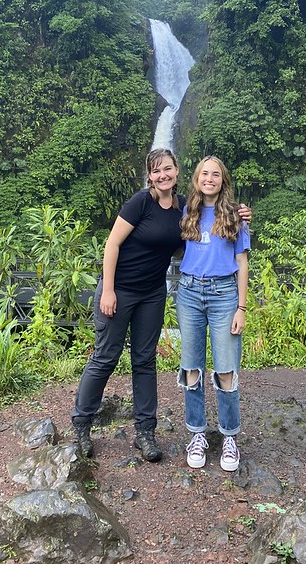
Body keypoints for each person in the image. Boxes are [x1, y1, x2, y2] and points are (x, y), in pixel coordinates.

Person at [72, 147, 251, 463]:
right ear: (149, 175)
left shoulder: (185, 207)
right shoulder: (140, 202)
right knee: (105, 355)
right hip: (121, 289)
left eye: (167, 169)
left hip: (154, 293)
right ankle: (82, 425)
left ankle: (145, 432)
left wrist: (241, 213)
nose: (163, 175)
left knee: (144, 360)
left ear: (178, 171)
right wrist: (108, 290)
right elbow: (112, 243)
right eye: (156, 171)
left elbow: (221, 237)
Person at [176, 156, 250, 472]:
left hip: (224, 296)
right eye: (204, 173)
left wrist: (242, 308)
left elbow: (242, 262)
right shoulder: (187, 212)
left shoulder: (235, 215)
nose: (209, 178)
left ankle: (229, 437)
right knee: (191, 367)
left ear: (223, 180)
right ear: (196, 179)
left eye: (215, 174)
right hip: (189, 293)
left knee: (225, 370)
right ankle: (196, 434)